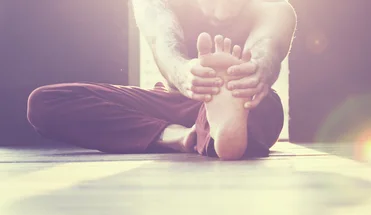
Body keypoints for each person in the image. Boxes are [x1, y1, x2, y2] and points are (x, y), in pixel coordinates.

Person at [26, 0, 297, 160]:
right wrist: (184, 72)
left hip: (241, 104)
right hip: (170, 101)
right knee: (45, 102)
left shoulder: (274, 8)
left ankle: (217, 126)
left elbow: (267, 48)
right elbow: (163, 39)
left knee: (264, 106)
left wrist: (252, 73)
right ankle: (182, 136)